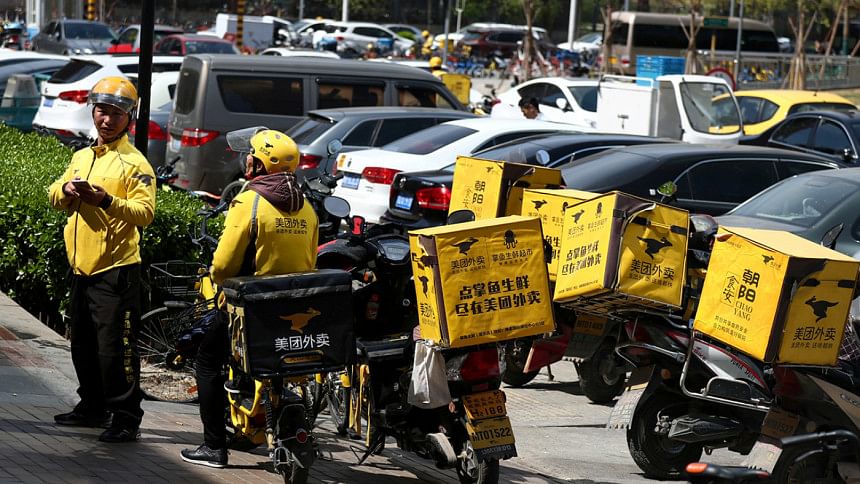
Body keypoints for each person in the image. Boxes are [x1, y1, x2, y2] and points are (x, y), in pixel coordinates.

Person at [180, 129, 319, 468]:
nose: (246, 160)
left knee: (207, 362)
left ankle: (214, 446)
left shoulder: (249, 201)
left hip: (248, 307)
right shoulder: (307, 208)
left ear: (259, 164)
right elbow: (310, 262)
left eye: (250, 156)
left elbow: (224, 265)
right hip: (291, 306)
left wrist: (218, 278)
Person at [48, 76, 156, 443]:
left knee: (116, 349)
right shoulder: (82, 156)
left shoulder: (135, 164)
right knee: (82, 344)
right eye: (101, 112)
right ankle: (92, 407)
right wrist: (66, 190)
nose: (106, 120)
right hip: (81, 267)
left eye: (115, 114)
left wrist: (106, 201)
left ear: (129, 118)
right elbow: (54, 194)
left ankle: (126, 417)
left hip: (116, 270)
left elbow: (145, 213)